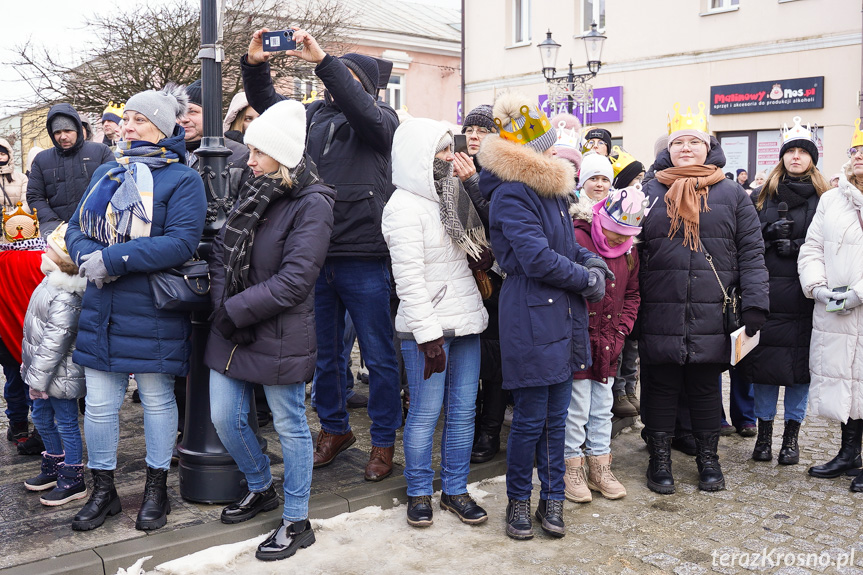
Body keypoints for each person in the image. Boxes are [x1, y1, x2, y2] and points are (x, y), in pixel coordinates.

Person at [242, 28, 402, 481]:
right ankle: (334, 429)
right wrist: (255, 65)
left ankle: (384, 440)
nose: (335, 85)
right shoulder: (310, 116)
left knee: (379, 354)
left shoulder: (382, 120)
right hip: (315, 255)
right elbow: (272, 114)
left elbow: (360, 108)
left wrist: (324, 60)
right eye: (334, 77)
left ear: (365, 86)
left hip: (364, 255)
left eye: (347, 78)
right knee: (325, 354)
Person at [65, 84, 206, 532]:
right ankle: (103, 491)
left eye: (138, 119)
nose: (127, 126)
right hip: (103, 303)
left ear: (162, 127)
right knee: (102, 405)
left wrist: (111, 259)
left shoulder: (183, 179)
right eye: (126, 118)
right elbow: (76, 227)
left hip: (151, 308)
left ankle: (155, 489)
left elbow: (181, 242)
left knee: (157, 400)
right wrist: (88, 254)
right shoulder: (108, 171)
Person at [205, 99, 335, 561]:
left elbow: (296, 281)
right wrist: (226, 307)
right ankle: (261, 485)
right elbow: (224, 253)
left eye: (258, 151)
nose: (249, 158)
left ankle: (297, 520)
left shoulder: (313, 202)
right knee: (225, 416)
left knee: (290, 425)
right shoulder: (252, 187)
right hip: (233, 323)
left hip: (280, 330)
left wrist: (234, 311)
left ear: (281, 153)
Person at [478, 92, 608, 540]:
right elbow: (535, 259)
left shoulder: (549, 192)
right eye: (551, 150)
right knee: (531, 418)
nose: (560, 156)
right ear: (531, 155)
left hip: (560, 313)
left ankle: (552, 499)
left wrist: (592, 262)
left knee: (556, 418)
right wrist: (585, 279)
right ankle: (519, 501)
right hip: (532, 312)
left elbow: (567, 247)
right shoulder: (513, 194)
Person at [638, 104, 769, 495]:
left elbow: (751, 251)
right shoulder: (647, 191)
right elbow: (626, 247)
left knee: (705, 386)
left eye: (694, 142)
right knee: (659, 384)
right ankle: (659, 458)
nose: (687, 149)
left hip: (713, 308)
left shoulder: (731, 193)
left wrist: (756, 305)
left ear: (708, 147)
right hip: (659, 304)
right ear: (669, 149)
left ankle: (708, 459)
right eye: (679, 143)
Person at [383, 120, 490, 528]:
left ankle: (456, 490)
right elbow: (408, 281)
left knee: (463, 412)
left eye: (450, 149)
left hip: (466, 322)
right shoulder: (402, 208)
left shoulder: (453, 193)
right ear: (419, 157)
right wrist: (429, 339)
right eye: (442, 152)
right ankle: (418, 491)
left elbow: (476, 249)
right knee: (425, 413)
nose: (451, 158)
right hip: (427, 331)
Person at [740, 116, 828, 465]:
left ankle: (791, 439)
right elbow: (745, 242)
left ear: (811, 159)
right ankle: (763, 438)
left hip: (805, 296)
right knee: (764, 368)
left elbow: (829, 244)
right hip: (768, 294)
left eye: (802, 152)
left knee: (798, 370)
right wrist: (768, 235)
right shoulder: (762, 196)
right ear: (781, 157)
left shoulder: (826, 199)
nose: (795, 156)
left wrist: (800, 246)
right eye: (789, 151)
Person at [565, 184, 645, 504]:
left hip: (610, 339)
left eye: (623, 236)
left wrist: (622, 330)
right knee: (576, 407)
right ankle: (571, 466)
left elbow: (632, 294)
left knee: (602, 406)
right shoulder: (579, 237)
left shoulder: (629, 250)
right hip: (581, 338)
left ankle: (600, 466)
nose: (616, 241)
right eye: (613, 234)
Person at [797, 125, 863, 493]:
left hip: (857, 303)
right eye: (855, 149)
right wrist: (817, 287)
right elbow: (812, 247)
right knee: (845, 380)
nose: (859, 155)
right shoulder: (833, 199)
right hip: (836, 309)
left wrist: (858, 293)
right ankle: (849, 452)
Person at [20, 224, 88, 506]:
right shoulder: (51, 281)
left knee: (66, 422)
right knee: (42, 418)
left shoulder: (65, 294)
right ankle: (54, 463)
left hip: (60, 375)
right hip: (43, 373)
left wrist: (37, 381)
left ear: (62, 258)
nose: (43, 251)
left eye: (49, 248)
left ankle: (73, 476)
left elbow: (54, 341)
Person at [454, 104, 505, 463]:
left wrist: (472, 182)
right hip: (460, 274)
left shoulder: (502, 173)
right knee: (467, 355)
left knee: (495, 359)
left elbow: (499, 220)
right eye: (470, 128)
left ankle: (490, 431)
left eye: (482, 130)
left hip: (497, 277)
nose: (474, 135)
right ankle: (467, 427)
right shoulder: (449, 169)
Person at [26, 103, 113, 236]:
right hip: (56, 232)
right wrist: (53, 224)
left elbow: (112, 187)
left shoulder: (101, 152)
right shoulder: (41, 159)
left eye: (68, 130)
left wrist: (94, 219)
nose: (63, 136)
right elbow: (35, 196)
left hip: (97, 227)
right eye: (57, 132)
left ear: (77, 129)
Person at [180, 80, 251, 198]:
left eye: (192, 111)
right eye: (179, 112)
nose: (184, 119)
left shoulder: (241, 156)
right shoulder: (166, 154)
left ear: (212, 114)